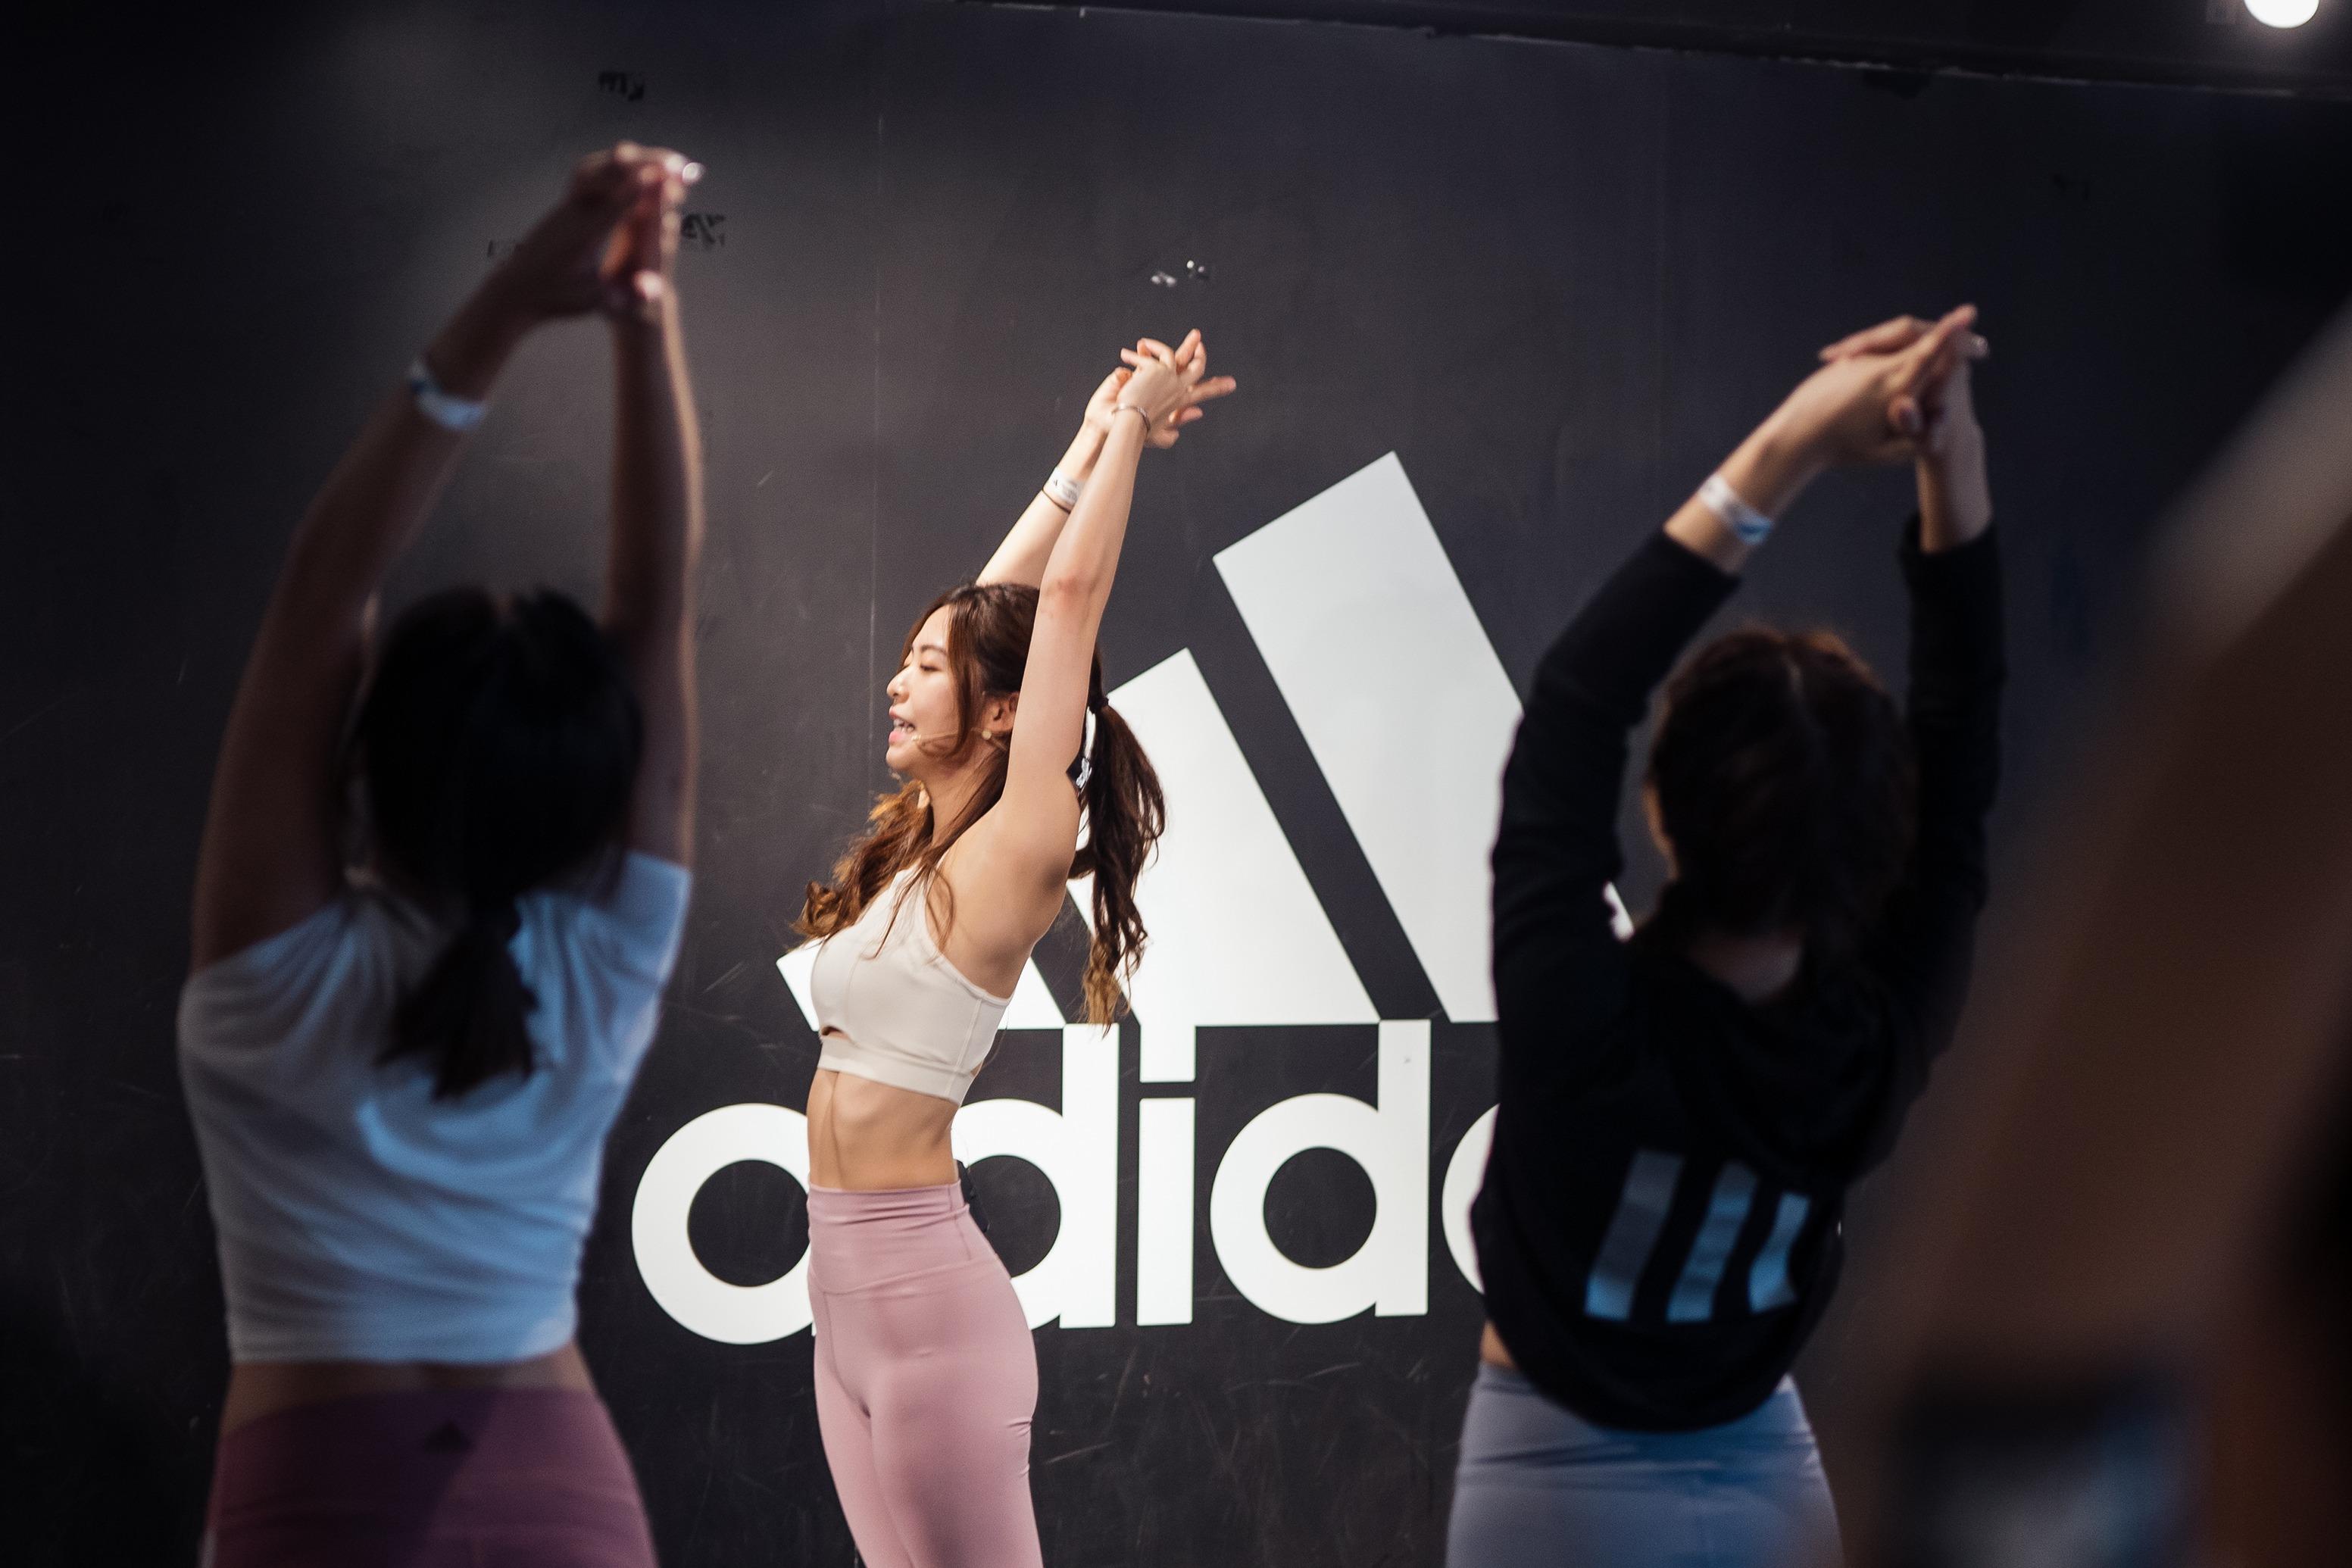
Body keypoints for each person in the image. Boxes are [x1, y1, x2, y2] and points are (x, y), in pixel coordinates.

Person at [177, 143, 703, 1566]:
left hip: (316, 1497)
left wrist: (513, 309)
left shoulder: (275, 966)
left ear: (358, 762)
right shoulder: (609, 959)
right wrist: (640, 314)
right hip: (562, 1495)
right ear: (591, 809)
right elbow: (656, 609)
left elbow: (324, 589)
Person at [1451, 308, 2002, 1568]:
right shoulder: (1878, 1041)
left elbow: (1575, 702)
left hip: (1549, 1483)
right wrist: (1950, 452)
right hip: (1764, 1479)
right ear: (1877, 842)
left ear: (1664, 810)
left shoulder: (1579, 1019)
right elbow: (1963, 738)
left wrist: (1794, 443)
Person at [792, 332, 1234, 1567]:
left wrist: (1134, 432)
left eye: (923, 671)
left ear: (997, 712)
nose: (897, 681)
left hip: (929, 1317)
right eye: (903, 663)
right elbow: (989, 615)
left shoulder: (1020, 837)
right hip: (840, 1309)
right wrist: (1082, 445)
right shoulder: (923, 844)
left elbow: (1062, 609)